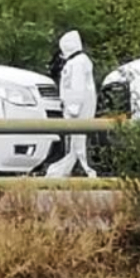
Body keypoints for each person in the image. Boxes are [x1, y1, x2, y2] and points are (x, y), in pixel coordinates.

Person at [44, 30, 98, 178]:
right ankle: (69, 169)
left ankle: (87, 171)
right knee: (75, 143)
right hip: (79, 109)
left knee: (78, 142)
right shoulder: (81, 61)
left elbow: (76, 87)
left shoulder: (77, 64)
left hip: (78, 111)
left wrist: (73, 108)